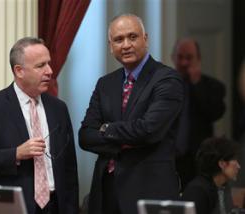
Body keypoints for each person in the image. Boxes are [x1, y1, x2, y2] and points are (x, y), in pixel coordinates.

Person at [79, 14, 184, 214]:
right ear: (110, 46)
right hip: (106, 191)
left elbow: (148, 130)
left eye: (132, 37)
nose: (126, 44)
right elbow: (85, 136)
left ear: (146, 38)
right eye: (118, 40)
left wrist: (106, 129)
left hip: (148, 190)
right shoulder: (105, 84)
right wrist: (126, 138)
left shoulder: (167, 79)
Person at [0, 37, 78, 214]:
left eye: (48, 63)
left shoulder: (58, 108)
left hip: (56, 205)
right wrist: (15, 154)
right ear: (19, 71)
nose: (49, 71)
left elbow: (70, 168)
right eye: (40, 66)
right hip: (13, 207)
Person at [172, 38, 226, 191]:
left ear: (198, 59)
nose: (184, 63)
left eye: (189, 58)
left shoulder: (214, 86)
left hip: (198, 159)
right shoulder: (165, 85)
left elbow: (215, 113)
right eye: (180, 57)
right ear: (173, 58)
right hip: (169, 159)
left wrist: (197, 85)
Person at [182, 137, 240, 214]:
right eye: (235, 160)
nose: (239, 166)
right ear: (222, 164)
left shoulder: (223, 187)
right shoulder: (197, 192)